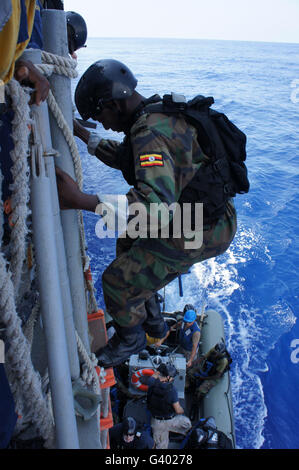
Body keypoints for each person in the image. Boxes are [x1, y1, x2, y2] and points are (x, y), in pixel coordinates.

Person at [55, 58, 237, 368]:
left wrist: (79, 199)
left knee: (116, 281)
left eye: (100, 116)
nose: (103, 124)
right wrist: (83, 135)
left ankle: (131, 339)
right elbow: (129, 158)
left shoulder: (148, 131)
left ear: (113, 103)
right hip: (206, 215)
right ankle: (154, 325)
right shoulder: (155, 114)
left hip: (202, 227)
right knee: (128, 241)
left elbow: (153, 210)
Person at [144, 363, 191, 449]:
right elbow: (178, 410)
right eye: (172, 377)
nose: (173, 378)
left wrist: (159, 370)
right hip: (167, 421)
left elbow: (154, 375)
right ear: (168, 377)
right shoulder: (172, 391)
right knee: (187, 423)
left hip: (155, 420)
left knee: (159, 442)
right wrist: (182, 409)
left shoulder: (151, 382)